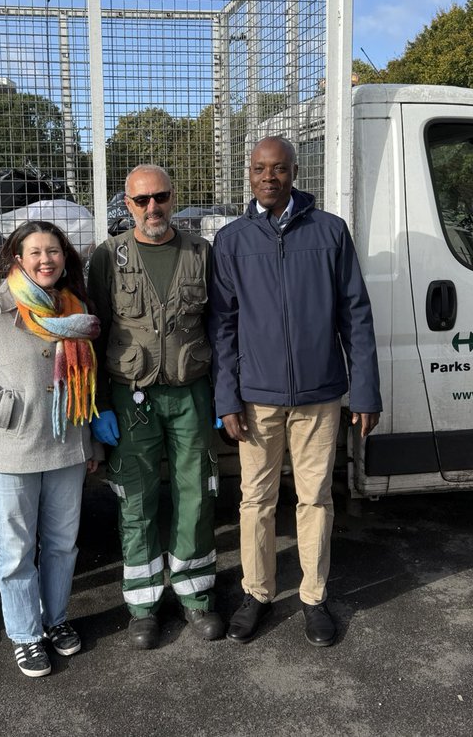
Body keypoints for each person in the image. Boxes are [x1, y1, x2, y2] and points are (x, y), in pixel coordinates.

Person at [209, 136, 381, 648]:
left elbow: (356, 316)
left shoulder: (330, 232)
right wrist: (226, 399)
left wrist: (365, 391)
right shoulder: (233, 240)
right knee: (255, 500)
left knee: (315, 499)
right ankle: (257, 593)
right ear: (248, 174)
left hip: (319, 395)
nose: (269, 177)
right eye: (260, 169)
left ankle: (313, 596)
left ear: (294, 172)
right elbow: (222, 326)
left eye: (279, 169)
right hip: (256, 397)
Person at [0, 220, 100, 678]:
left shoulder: (75, 309)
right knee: (15, 551)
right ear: (18, 258)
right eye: (34, 252)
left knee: (61, 545)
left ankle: (54, 620)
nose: (45, 260)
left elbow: (85, 384)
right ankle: (25, 634)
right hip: (13, 452)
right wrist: (13, 411)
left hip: (66, 449)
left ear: (64, 256)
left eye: (52, 251)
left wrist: (88, 441)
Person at [87, 164, 225, 649]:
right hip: (131, 397)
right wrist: (100, 404)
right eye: (141, 200)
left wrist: (221, 394)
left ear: (172, 197)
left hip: (192, 391)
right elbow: (95, 330)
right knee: (136, 498)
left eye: (161, 197)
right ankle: (143, 605)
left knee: (197, 493)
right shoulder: (108, 257)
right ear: (127, 205)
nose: (153, 208)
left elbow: (221, 326)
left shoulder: (199, 252)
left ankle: (196, 597)